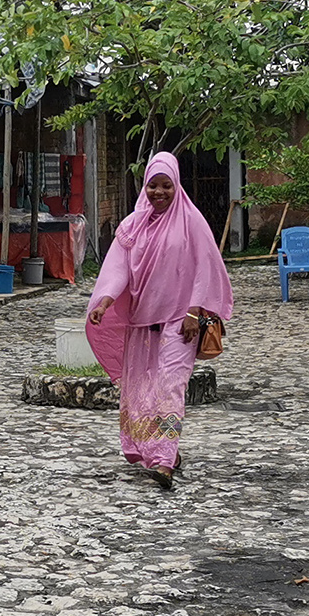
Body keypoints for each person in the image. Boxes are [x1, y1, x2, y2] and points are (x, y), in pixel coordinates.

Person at [85, 152, 234, 490]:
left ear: (176, 185)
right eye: (153, 186)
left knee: (169, 388)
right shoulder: (132, 227)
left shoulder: (191, 221)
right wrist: (105, 301)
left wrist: (196, 311)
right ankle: (162, 451)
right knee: (140, 392)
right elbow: (118, 270)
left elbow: (206, 267)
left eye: (167, 185)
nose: (160, 193)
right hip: (141, 324)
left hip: (181, 324)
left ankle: (164, 460)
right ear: (145, 186)